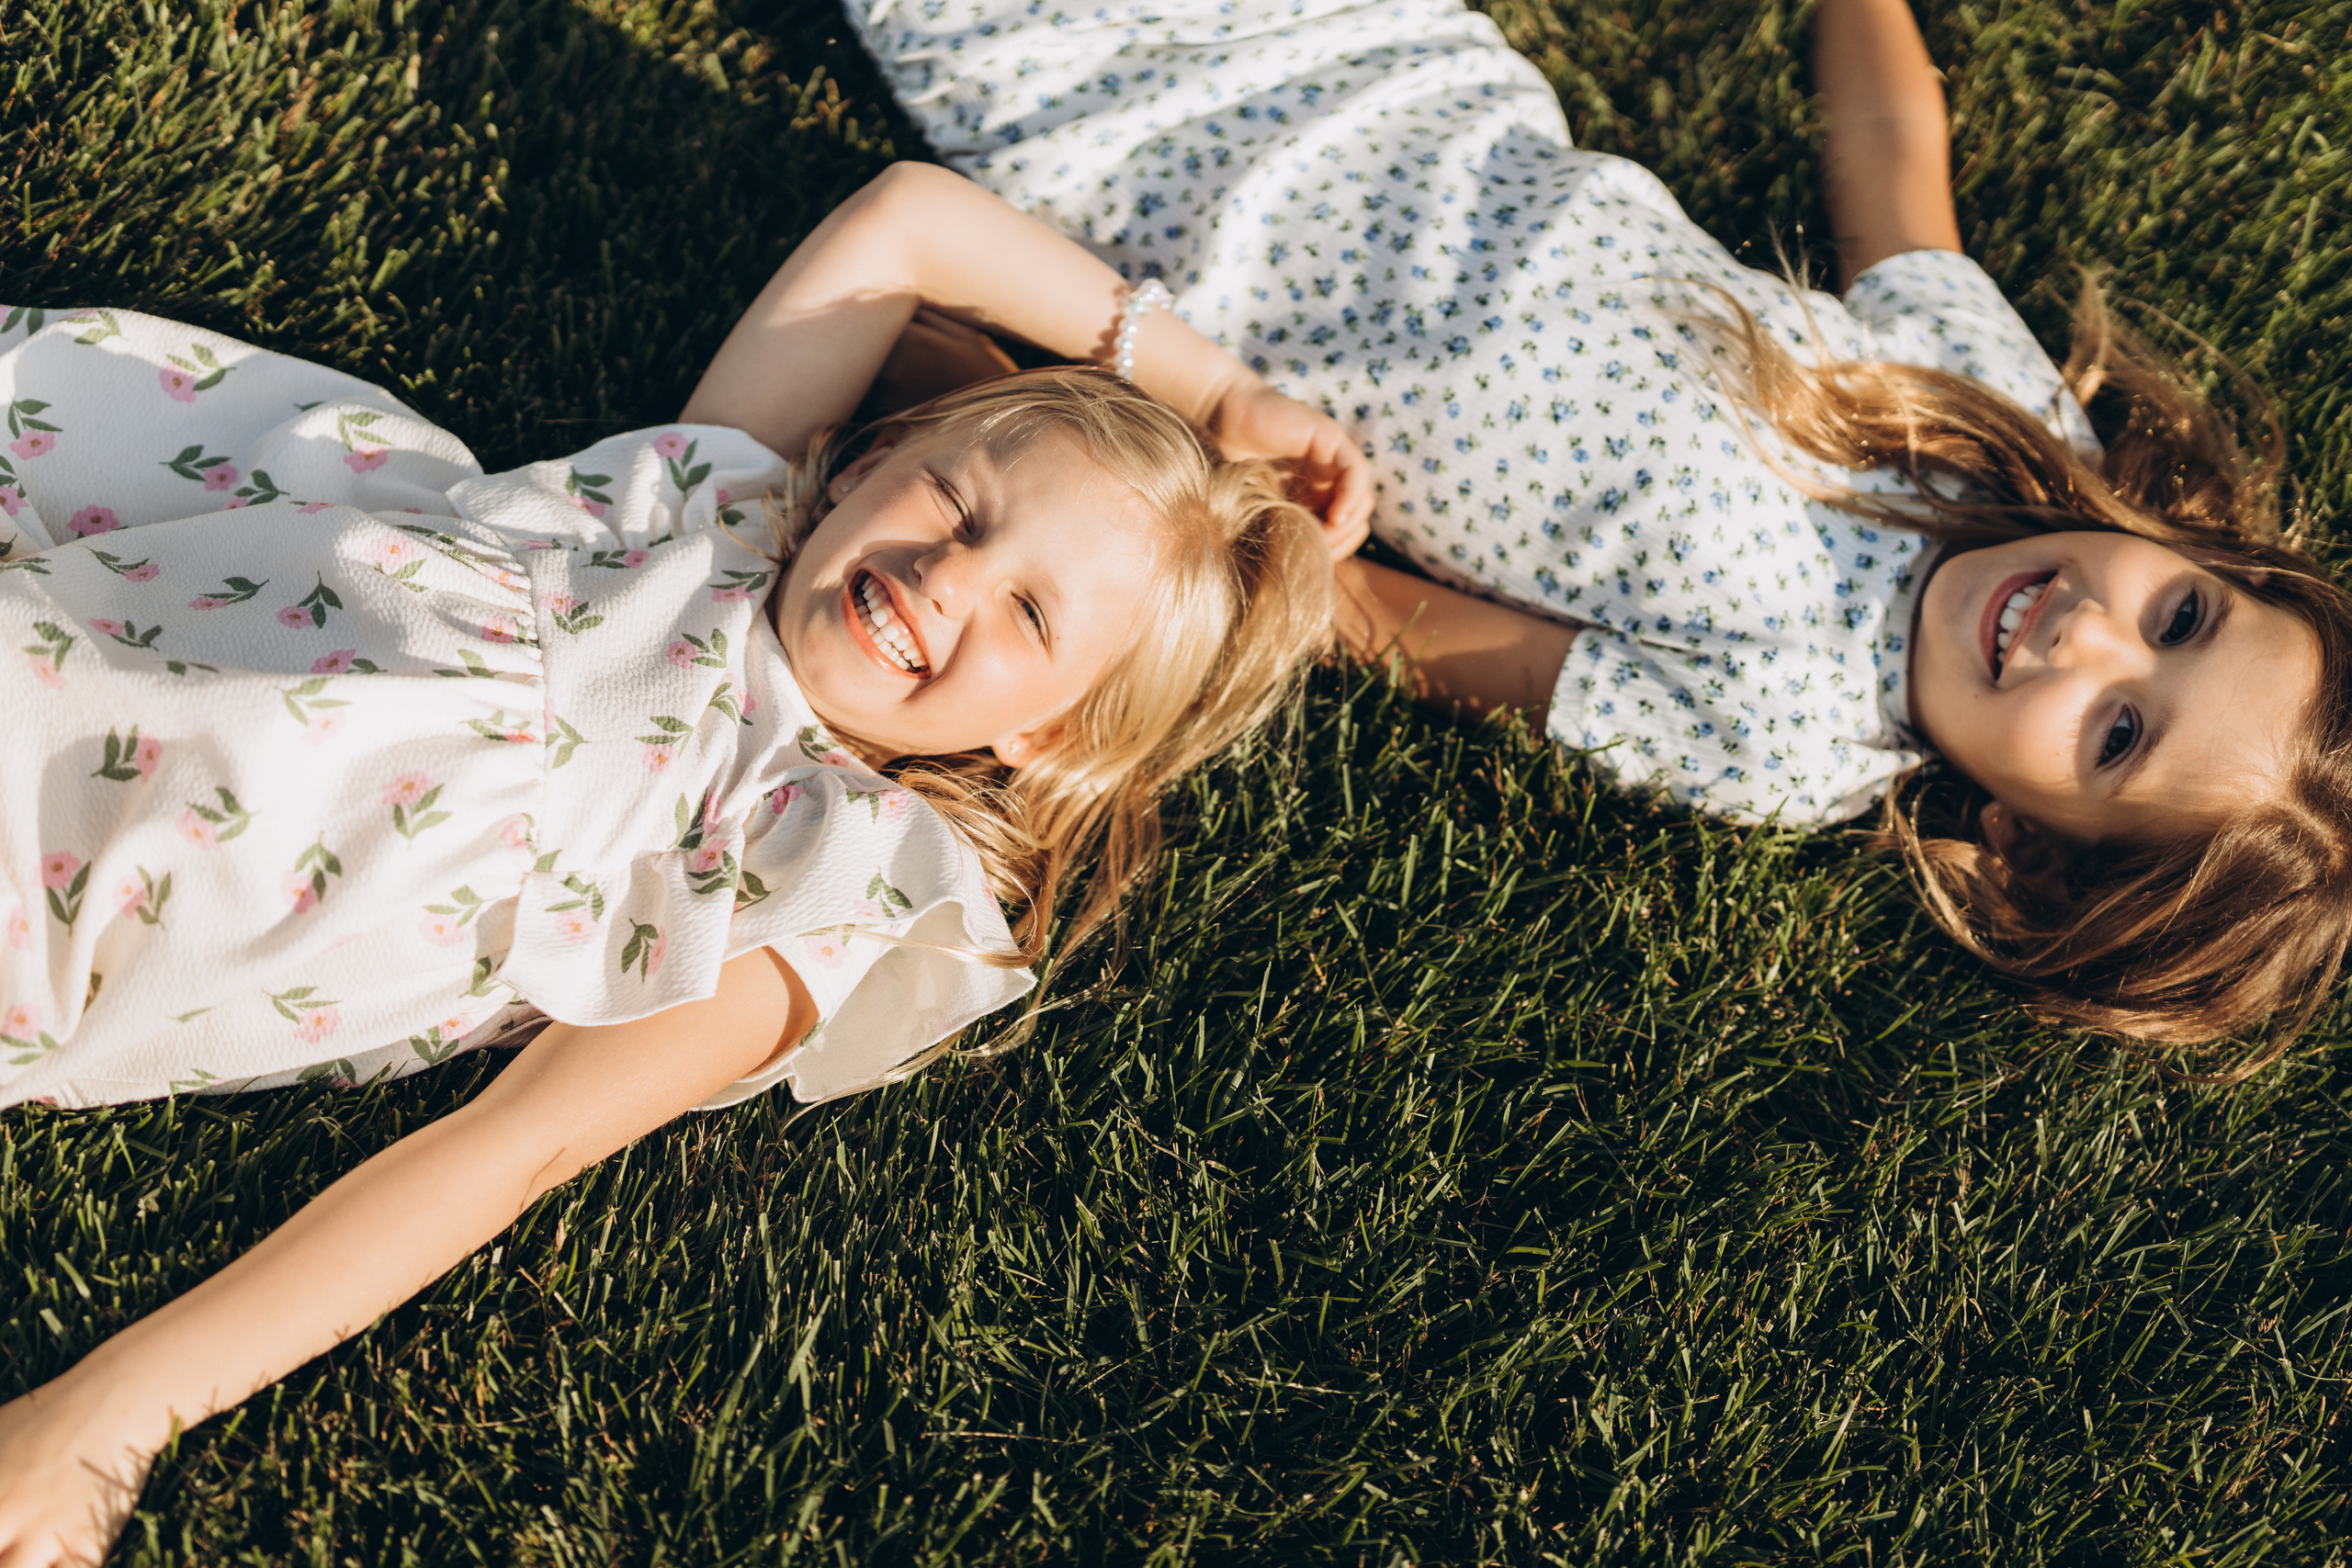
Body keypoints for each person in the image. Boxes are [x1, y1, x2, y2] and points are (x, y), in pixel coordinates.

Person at [0, 164, 1348, 1560]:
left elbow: (509, 1152)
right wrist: (1218, 390)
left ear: (1047, 731)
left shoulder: (836, 867)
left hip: (88, 898)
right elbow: (910, 220)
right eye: (955, 500)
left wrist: (108, 1415)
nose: (949, 574)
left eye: (1027, 610)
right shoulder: (718, 501)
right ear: (872, 463)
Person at [842, 0, 2352, 1066]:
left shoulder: (1788, 736)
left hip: (1166, 196)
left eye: (2115, 736)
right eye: (2181, 619)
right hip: (1398, 59)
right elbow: (1899, 184)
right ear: (2206, 560)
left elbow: (1402, 632)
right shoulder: (2005, 436)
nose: (2086, 636)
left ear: (2028, 846)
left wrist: (1215, 497)